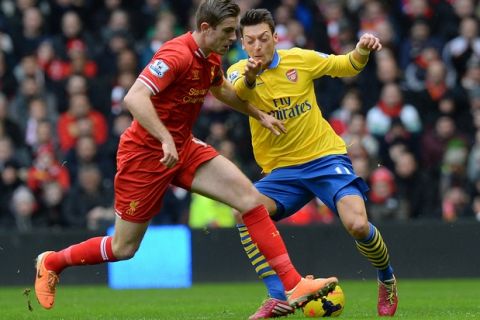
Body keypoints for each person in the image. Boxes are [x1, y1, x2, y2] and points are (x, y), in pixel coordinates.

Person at [34, 0, 338, 312]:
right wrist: (165, 138)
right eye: (229, 31)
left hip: (184, 148)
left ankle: (292, 284)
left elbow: (220, 90)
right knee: (123, 248)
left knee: (249, 198)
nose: (234, 38)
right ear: (205, 28)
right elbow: (134, 97)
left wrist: (257, 113)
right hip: (144, 156)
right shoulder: (176, 54)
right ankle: (53, 261)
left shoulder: (210, 57)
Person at [227, 9, 398, 319]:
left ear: (276, 38)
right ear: (242, 42)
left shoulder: (298, 59)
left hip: (324, 159)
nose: (257, 47)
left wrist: (361, 48)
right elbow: (239, 92)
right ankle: (278, 296)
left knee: (358, 225)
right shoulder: (238, 70)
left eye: (264, 39)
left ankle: (386, 278)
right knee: (242, 211)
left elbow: (346, 65)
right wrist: (252, 75)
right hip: (282, 173)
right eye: (250, 41)